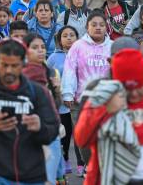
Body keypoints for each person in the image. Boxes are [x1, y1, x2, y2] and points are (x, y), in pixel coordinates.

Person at [0, 39, 60, 185]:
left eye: (14, 66)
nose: (8, 70)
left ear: (23, 64)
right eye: (4, 65)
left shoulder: (38, 92)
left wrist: (40, 127)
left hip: (34, 175)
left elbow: (53, 131)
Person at [74, 49, 143, 185]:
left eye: (139, 86)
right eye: (128, 88)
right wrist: (104, 110)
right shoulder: (102, 97)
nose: (134, 94)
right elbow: (81, 140)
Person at [61, 11, 113, 167]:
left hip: (106, 103)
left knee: (104, 137)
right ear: (87, 27)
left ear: (107, 27)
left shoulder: (112, 47)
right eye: (94, 25)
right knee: (83, 138)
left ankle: (103, 169)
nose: (98, 28)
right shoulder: (77, 46)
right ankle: (90, 166)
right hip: (81, 103)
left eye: (101, 25)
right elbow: (69, 69)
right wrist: (68, 94)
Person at [22, 33, 63, 184]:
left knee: (48, 179)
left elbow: (56, 105)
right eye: (35, 47)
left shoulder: (50, 72)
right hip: (26, 134)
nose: (40, 51)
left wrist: (57, 91)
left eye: (43, 47)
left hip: (49, 130)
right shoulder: (18, 74)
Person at [47, 26, 84, 175]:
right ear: (60, 40)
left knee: (79, 133)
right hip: (62, 105)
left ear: (77, 38)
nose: (69, 38)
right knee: (66, 134)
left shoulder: (82, 54)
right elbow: (47, 75)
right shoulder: (54, 57)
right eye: (65, 36)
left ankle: (82, 163)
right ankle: (65, 158)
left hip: (78, 101)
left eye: (72, 35)